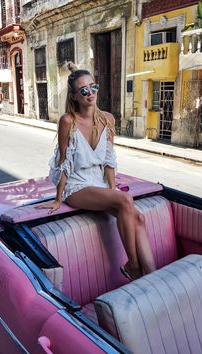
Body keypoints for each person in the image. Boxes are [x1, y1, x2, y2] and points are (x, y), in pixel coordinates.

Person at [41, 62, 156, 280]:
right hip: (76, 186)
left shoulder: (108, 119)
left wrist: (112, 191)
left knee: (137, 218)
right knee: (125, 201)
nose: (90, 93)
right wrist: (58, 198)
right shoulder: (68, 121)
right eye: (83, 90)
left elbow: (108, 160)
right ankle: (132, 266)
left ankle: (152, 277)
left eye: (93, 87)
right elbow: (63, 161)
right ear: (74, 96)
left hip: (99, 184)